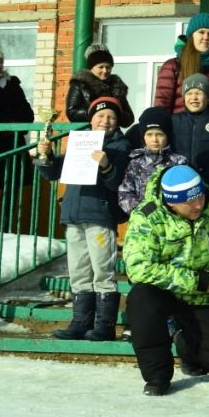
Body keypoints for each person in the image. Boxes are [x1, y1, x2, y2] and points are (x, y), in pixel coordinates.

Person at [122, 165, 209, 396]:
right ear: (172, 203)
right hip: (166, 292)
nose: (198, 205)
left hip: (204, 297)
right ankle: (157, 377)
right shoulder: (146, 217)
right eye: (190, 203)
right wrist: (196, 280)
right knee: (140, 299)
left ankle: (183, 339)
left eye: (200, 197)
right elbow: (138, 268)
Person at [34, 96, 129, 342]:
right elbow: (54, 172)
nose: (105, 121)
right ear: (91, 119)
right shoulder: (80, 141)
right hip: (73, 215)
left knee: (102, 271)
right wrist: (46, 157)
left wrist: (106, 164)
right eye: (99, 116)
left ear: (117, 121)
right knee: (78, 272)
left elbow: (117, 183)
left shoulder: (121, 146)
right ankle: (80, 322)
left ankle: (105, 326)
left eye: (111, 117)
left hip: (99, 215)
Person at [154, 13, 209, 114]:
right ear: (191, 36)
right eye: (201, 32)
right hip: (181, 128)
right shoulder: (173, 66)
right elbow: (162, 104)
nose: (206, 37)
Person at [118, 106, 189, 213]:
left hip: (171, 222)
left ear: (168, 136)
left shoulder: (179, 162)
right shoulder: (135, 162)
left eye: (159, 134)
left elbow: (186, 193)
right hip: (141, 222)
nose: (154, 139)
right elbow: (124, 192)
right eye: (149, 134)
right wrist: (142, 211)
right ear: (143, 137)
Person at [65, 44, 134, 129]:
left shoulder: (117, 87)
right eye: (100, 67)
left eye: (108, 67)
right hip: (86, 134)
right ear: (91, 68)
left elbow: (129, 118)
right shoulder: (80, 84)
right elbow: (72, 112)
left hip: (112, 135)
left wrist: (114, 112)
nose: (105, 71)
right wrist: (96, 111)